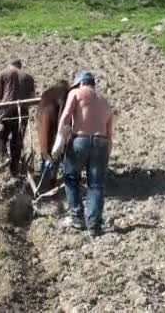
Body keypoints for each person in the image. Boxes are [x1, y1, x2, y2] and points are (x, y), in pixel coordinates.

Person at [54, 69, 114, 236]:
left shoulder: (76, 93)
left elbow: (66, 116)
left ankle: (77, 218)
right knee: (96, 184)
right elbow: (110, 133)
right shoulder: (104, 101)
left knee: (71, 177)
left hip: (80, 140)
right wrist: (106, 152)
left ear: (80, 83)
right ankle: (94, 224)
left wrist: (59, 139)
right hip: (101, 142)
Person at [0, 59, 36, 177]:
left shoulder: (4, 73)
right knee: (17, 141)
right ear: (20, 66)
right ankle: (14, 171)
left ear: (10, 65)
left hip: (5, 111)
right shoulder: (29, 77)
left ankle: (5, 156)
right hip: (22, 112)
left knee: (0, 136)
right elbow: (32, 97)